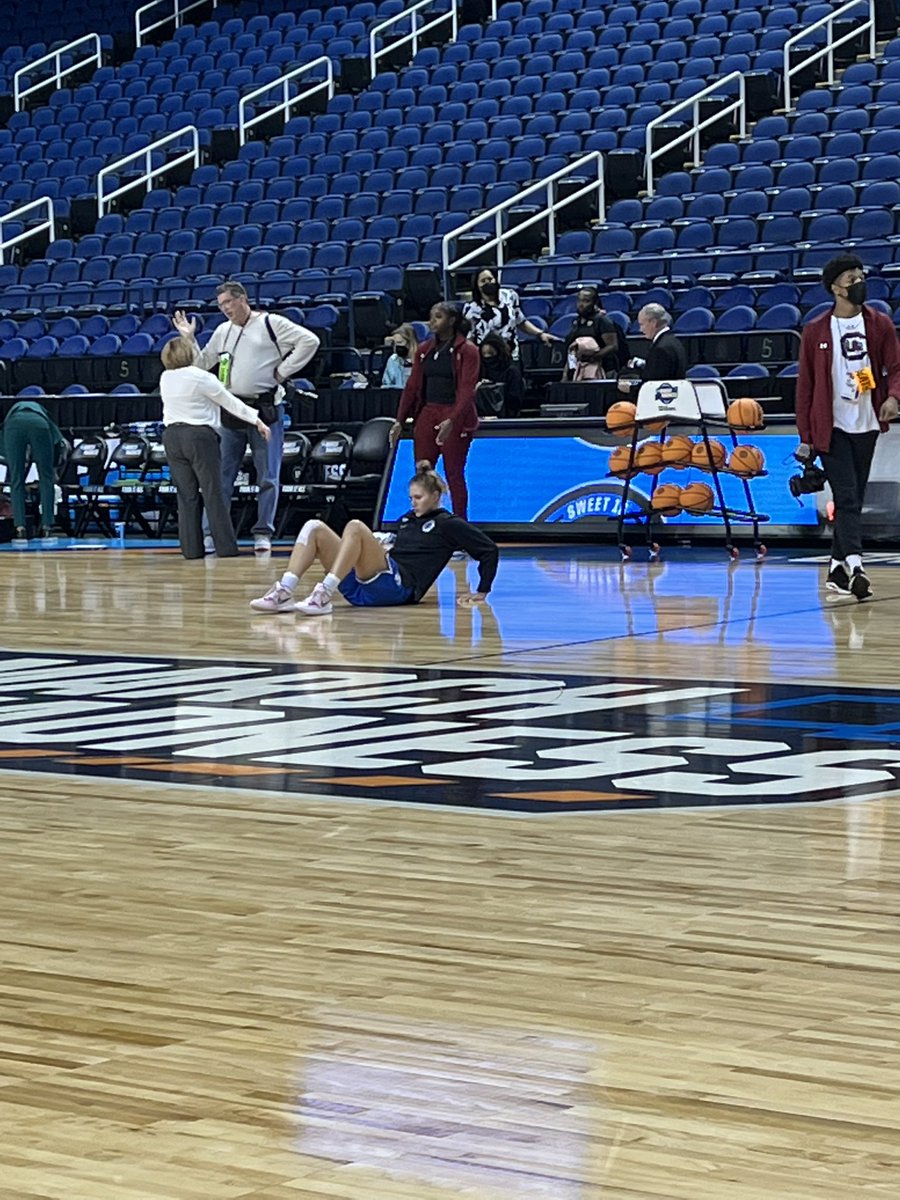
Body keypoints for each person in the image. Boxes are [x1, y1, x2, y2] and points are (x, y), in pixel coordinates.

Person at [171, 281, 320, 553]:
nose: (225, 308)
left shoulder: (270, 323)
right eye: (221, 305)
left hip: (264, 409)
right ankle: (213, 532)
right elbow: (202, 364)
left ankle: (263, 531)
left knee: (268, 476)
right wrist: (189, 339)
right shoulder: (222, 330)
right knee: (221, 476)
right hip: (231, 411)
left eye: (229, 302)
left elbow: (310, 341)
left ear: (242, 299)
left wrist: (283, 371)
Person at [249, 460, 499, 615]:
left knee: (356, 527)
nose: (413, 503)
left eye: (418, 498)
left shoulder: (448, 523)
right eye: (411, 498)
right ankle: (284, 592)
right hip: (366, 588)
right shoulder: (407, 519)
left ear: (436, 496)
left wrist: (482, 591)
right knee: (314, 526)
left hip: (399, 588)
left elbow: (489, 550)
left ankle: (323, 593)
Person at [796, 252, 900, 601]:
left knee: (853, 496)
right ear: (835, 290)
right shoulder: (815, 332)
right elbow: (806, 387)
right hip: (832, 426)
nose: (859, 283)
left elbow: (896, 368)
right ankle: (856, 567)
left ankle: (836, 569)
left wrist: (893, 398)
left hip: (868, 422)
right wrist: (805, 437)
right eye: (851, 280)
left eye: (860, 277)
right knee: (847, 497)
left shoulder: (879, 323)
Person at [159, 335, 271, 560]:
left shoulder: (165, 377)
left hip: (171, 437)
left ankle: (191, 550)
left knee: (186, 495)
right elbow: (229, 401)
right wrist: (257, 420)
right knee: (213, 493)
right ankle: (226, 548)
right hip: (199, 436)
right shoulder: (200, 377)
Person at [390, 302, 480, 520]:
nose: (432, 322)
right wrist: (399, 420)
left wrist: (453, 420)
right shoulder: (423, 350)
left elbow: (467, 390)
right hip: (428, 413)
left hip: (454, 413)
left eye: (438, 317)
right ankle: (424, 522)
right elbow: (412, 387)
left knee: (453, 474)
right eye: (431, 317)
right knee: (422, 472)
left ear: (452, 321)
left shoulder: (468, 351)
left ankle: (460, 526)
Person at [0, 399, 68, 543]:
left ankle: (20, 528)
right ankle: (47, 527)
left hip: (13, 424)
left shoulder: (12, 415)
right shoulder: (44, 416)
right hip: (39, 424)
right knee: (46, 478)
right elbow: (59, 443)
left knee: (16, 480)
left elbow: (4, 452)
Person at [463, 267, 559, 361]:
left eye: (490, 279)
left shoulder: (510, 296)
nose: (488, 283)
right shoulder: (471, 308)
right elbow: (470, 338)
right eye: (483, 281)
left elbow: (520, 321)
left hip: (512, 356)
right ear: (477, 285)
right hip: (487, 359)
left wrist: (540, 334)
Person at [617, 303, 687, 393]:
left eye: (642, 324)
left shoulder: (661, 348)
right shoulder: (674, 341)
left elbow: (655, 386)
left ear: (653, 322)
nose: (640, 330)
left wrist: (631, 389)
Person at [562, 287, 620, 381]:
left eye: (586, 301)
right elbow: (572, 350)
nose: (581, 304)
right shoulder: (576, 323)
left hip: (604, 369)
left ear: (594, 303)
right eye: (579, 301)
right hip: (580, 370)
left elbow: (613, 346)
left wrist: (593, 357)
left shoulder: (602, 321)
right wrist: (566, 373)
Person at [476, 332, 524, 417]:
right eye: (484, 354)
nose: (487, 358)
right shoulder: (479, 370)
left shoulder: (512, 372)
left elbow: (515, 400)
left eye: (491, 354)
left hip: (506, 418)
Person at [381, 323, 419, 389]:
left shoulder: (421, 359)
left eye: (399, 343)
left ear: (410, 343)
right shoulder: (393, 359)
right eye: (395, 344)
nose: (396, 347)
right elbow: (386, 384)